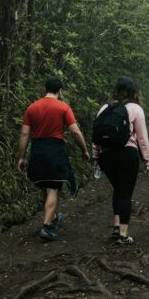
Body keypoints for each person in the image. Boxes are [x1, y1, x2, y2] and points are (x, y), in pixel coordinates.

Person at [17, 77, 91, 241]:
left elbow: (24, 133)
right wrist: (84, 150)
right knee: (53, 189)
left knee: (45, 184)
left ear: (46, 89)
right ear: (60, 90)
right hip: (55, 150)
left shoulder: (32, 107)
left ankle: (53, 217)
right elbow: (75, 131)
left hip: (37, 150)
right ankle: (47, 227)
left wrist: (21, 157)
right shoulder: (63, 107)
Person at [93, 76, 149, 245]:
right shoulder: (135, 108)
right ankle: (124, 235)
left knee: (118, 189)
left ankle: (117, 226)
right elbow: (142, 138)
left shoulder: (105, 107)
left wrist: (96, 157)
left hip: (106, 156)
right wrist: (147, 161)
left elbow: (96, 134)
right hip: (127, 154)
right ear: (134, 91)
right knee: (125, 193)